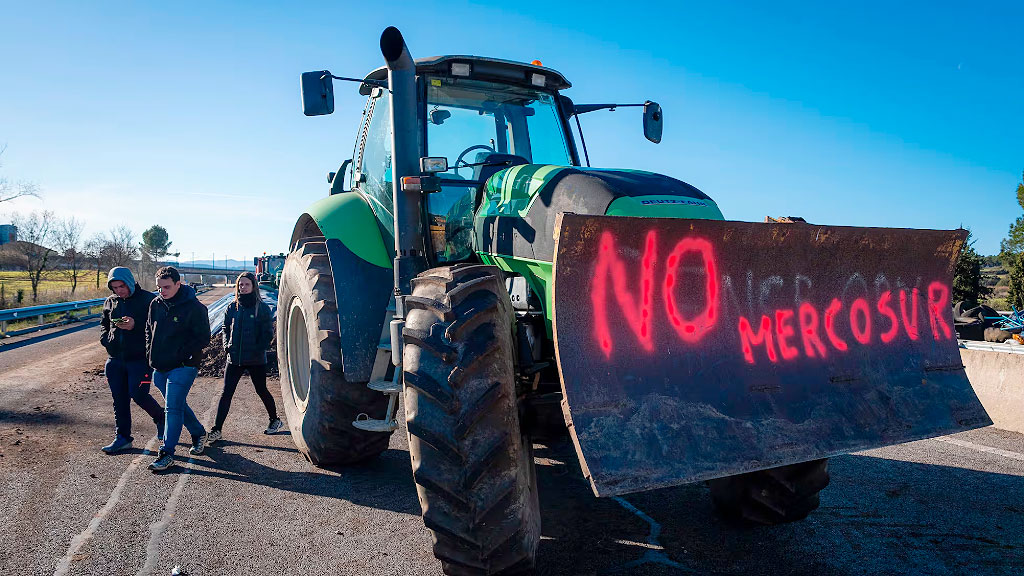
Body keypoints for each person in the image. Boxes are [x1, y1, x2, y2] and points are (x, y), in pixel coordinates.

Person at [146, 266, 211, 472]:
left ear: (178, 284)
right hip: (160, 366)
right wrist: (150, 354)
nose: (162, 291)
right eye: (159, 288)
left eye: (166, 287)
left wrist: (182, 354)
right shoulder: (155, 304)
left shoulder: (195, 307)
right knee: (177, 405)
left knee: (172, 408)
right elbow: (148, 330)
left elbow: (204, 338)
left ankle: (167, 453)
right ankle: (199, 433)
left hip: (184, 366)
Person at [207, 272, 282, 444]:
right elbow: (225, 327)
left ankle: (274, 420)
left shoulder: (261, 308)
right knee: (226, 393)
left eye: (246, 284)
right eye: (240, 284)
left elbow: (268, 333)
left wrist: (259, 348)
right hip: (234, 358)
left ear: (253, 286)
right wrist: (227, 345)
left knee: (261, 390)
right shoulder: (232, 307)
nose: (243, 287)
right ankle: (216, 429)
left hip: (256, 359)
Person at [98, 267, 165, 454]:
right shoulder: (110, 302)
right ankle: (123, 438)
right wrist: (106, 340)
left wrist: (135, 326)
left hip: (140, 360)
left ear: (129, 282)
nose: (119, 290)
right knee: (119, 399)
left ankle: (161, 417)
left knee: (139, 394)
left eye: (122, 286)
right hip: (115, 360)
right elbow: (104, 324)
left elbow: (158, 328)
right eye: (115, 287)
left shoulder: (148, 300)